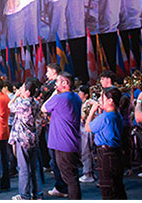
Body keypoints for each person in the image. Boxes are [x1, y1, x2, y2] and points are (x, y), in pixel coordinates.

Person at [42, 72, 82, 200]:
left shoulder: (61, 98)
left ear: (65, 83)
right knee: (71, 176)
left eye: (58, 82)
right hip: (70, 141)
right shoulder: (75, 97)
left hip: (63, 143)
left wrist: (54, 93)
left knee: (70, 178)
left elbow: (44, 108)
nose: (55, 84)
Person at [85, 87, 126, 199]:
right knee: (117, 187)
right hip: (115, 153)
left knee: (108, 188)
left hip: (106, 154)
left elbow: (88, 127)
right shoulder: (116, 114)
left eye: (102, 98)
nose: (99, 100)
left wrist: (92, 111)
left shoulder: (106, 116)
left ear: (110, 101)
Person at [9, 78, 44, 200]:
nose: (20, 90)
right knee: (34, 168)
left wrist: (16, 95)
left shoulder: (24, 103)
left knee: (23, 168)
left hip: (23, 138)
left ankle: (24, 195)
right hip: (33, 137)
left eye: (23, 88)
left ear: (28, 92)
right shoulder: (36, 103)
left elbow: (10, 106)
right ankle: (38, 194)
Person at [77, 85, 96, 183]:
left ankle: (87, 174)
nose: (78, 94)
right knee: (87, 152)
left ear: (86, 95)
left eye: (80, 93)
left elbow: (83, 116)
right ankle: (90, 172)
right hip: (84, 129)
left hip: (86, 130)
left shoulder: (87, 104)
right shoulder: (82, 103)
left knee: (86, 152)